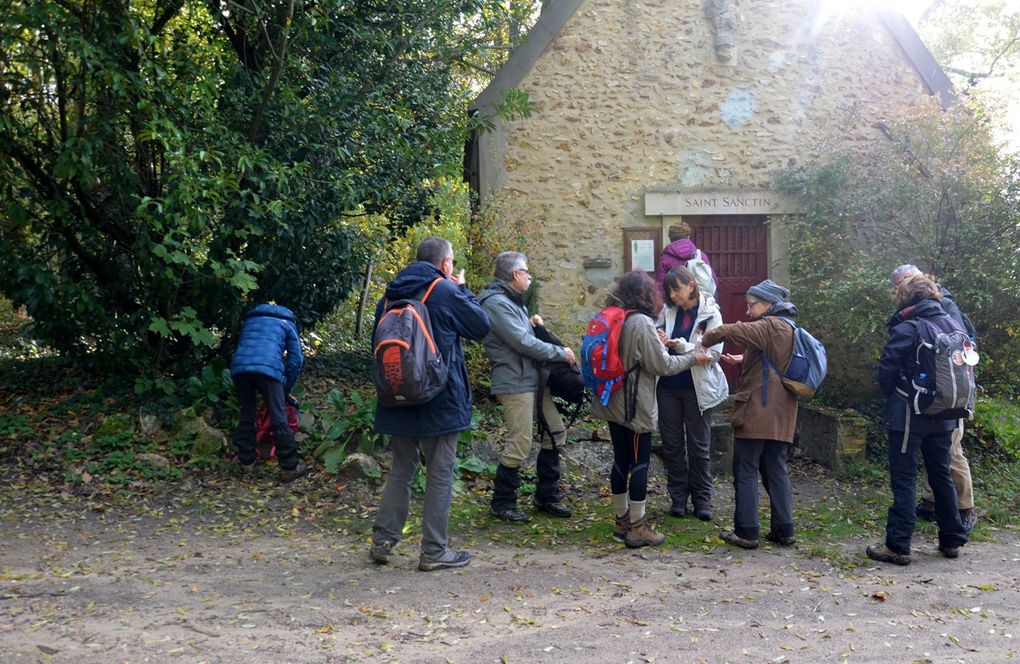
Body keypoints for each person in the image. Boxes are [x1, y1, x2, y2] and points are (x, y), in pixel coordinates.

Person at [369, 237, 491, 572]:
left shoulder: (390, 294)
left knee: (401, 468)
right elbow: (481, 326)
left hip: (397, 394)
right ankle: (435, 550)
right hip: (440, 396)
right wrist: (464, 290)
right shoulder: (445, 291)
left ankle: (383, 539)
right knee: (440, 472)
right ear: (446, 263)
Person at [592, 271, 710, 548]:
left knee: (620, 461)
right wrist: (693, 357)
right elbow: (662, 366)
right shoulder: (641, 322)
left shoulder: (612, 316)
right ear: (646, 295)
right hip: (635, 405)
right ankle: (637, 528)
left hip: (612, 400)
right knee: (640, 463)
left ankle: (621, 522)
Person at [866, 272, 969, 565]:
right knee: (941, 476)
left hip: (909, 416)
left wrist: (896, 397)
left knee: (905, 478)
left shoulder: (909, 327)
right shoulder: (951, 323)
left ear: (906, 297)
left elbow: (885, 372)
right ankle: (952, 539)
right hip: (946, 413)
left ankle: (898, 545)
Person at [699, 280, 799, 550]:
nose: (748, 310)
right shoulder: (791, 327)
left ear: (768, 304)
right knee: (776, 468)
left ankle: (746, 531)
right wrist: (745, 360)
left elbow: (730, 331)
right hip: (782, 411)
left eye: (752, 304)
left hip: (758, 409)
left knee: (745, 468)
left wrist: (705, 341)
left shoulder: (769, 325)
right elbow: (777, 357)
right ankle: (784, 529)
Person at [479, 252, 577, 522]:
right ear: (514, 275)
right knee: (520, 443)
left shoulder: (513, 303)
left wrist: (537, 325)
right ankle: (502, 502)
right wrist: (559, 352)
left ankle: (546, 496)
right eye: (526, 272)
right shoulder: (496, 304)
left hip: (532, 380)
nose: (530, 276)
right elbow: (521, 343)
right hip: (514, 382)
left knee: (555, 432)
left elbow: (525, 337)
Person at [890, 264, 978, 533]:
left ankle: (965, 510)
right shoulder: (938, 309)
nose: (897, 290)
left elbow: (957, 351)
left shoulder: (937, 311)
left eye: (899, 285)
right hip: (945, 396)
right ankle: (934, 507)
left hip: (941, 396)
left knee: (951, 454)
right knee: (940, 461)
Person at [656, 266, 729, 521]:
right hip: (667, 387)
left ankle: (702, 500)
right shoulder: (666, 311)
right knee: (672, 445)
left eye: (676, 289)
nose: (672, 295)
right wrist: (660, 337)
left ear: (691, 286)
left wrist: (678, 345)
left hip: (698, 390)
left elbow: (712, 354)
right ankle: (678, 499)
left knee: (699, 447)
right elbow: (654, 340)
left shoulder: (711, 314)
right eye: (669, 291)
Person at [229, 303, 308, 482]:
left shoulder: (250, 320)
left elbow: (245, 347)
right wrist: (285, 389)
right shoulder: (287, 323)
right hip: (269, 368)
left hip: (240, 368)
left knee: (246, 413)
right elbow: (296, 360)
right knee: (279, 417)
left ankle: (246, 462)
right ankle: (289, 467)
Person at [654, 222, 717, 295]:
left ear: (670, 238)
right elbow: (713, 280)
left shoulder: (665, 258)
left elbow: (661, 286)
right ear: (688, 237)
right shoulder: (700, 255)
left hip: (676, 301)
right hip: (699, 301)